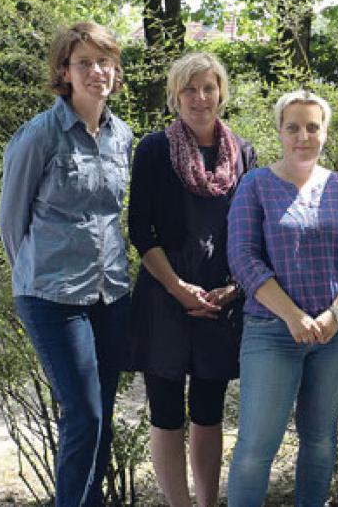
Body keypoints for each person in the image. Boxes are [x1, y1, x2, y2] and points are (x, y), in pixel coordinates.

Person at [0, 22, 133, 506]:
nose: (96, 71)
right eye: (84, 63)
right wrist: (32, 275)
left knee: (102, 415)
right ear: (64, 72)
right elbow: (12, 221)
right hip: (52, 296)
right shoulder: (40, 135)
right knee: (85, 415)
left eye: (104, 61)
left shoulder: (122, 136)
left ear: (115, 69)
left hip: (111, 293)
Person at [226, 90, 338, 506]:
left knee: (321, 442)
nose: (303, 136)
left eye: (312, 126)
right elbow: (243, 257)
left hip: (333, 338)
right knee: (256, 448)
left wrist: (336, 315)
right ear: (279, 132)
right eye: (293, 127)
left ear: (325, 132)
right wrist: (292, 316)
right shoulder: (255, 185)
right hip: (272, 333)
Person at [128, 52, 256, 507]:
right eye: (189, 89)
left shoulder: (244, 153)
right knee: (165, 413)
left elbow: (250, 234)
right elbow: (140, 230)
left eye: (208, 87)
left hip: (221, 298)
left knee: (209, 410)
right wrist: (178, 288)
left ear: (221, 92)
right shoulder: (154, 150)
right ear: (174, 96)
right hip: (165, 296)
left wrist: (235, 287)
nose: (199, 98)